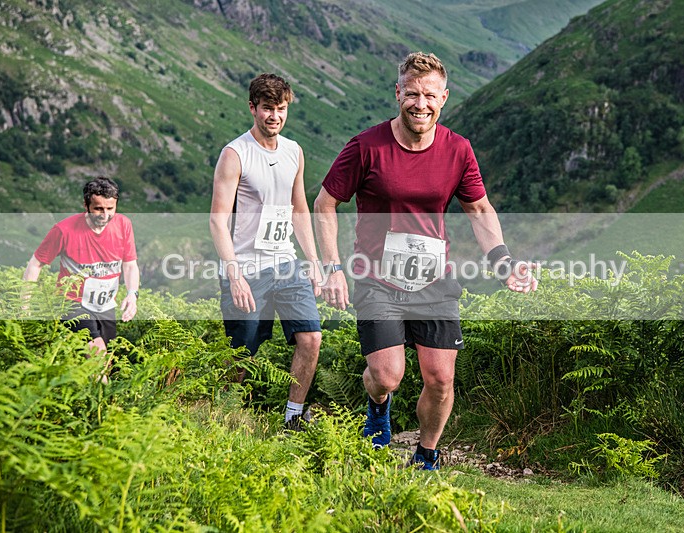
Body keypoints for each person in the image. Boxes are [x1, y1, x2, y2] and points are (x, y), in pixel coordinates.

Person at [314, 52, 537, 469]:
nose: (421, 104)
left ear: (445, 98)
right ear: (398, 93)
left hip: (434, 279)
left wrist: (505, 262)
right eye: (412, 94)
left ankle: (427, 454)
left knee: (440, 379)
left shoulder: (458, 150)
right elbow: (325, 203)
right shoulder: (366, 147)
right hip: (378, 277)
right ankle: (378, 407)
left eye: (430, 96)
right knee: (386, 375)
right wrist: (332, 267)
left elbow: (480, 210)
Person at [209, 73, 322, 431]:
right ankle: (222, 417)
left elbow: (299, 208)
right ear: (252, 108)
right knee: (243, 353)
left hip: (286, 262)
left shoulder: (294, 151)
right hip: (247, 267)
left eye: (281, 109)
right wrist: (234, 274)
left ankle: (292, 419)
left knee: (311, 339)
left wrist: (314, 261)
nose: (274, 116)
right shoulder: (235, 154)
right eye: (267, 108)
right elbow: (216, 220)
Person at [23, 177, 140, 381]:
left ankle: (85, 401)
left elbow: (129, 265)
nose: (105, 215)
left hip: (105, 304)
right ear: (85, 205)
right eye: (98, 209)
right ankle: (103, 405)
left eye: (110, 209)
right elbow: (36, 264)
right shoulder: (64, 230)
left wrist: (132, 294)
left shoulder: (124, 225)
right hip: (72, 303)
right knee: (97, 352)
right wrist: (24, 304)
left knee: (106, 361)